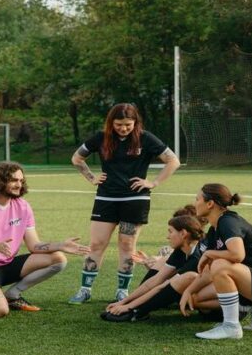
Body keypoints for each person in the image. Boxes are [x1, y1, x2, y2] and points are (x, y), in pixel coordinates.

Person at [68, 103, 181, 304]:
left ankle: (122, 290)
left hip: (135, 200)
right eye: (119, 124)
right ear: (111, 122)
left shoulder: (145, 138)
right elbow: (77, 158)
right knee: (96, 243)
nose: (123, 128)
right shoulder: (101, 137)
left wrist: (153, 182)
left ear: (135, 122)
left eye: (128, 124)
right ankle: (85, 289)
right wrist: (91, 177)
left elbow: (173, 160)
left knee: (127, 245)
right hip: (106, 198)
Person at [0, 162, 89, 318]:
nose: (19, 185)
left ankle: (12, 295)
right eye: (14, 180)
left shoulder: (23, 206)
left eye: (21, 180)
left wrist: (61, 245)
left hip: (6, 265)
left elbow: (34, 245)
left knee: (58, 258)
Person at [179, 183, 252, 340]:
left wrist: (210, 254)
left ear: (210, 203)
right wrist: (189, 290)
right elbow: (208, 272)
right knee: (197, 298)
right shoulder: (215, 229)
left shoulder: (228, 221)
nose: (195, 203)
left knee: (220, 264)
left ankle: (231, 326)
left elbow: (237, 254)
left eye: (197, 199)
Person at [100, 206, 206, 322]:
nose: (167, 236)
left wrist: (129, 307)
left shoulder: (197, 257)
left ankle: (138, 312)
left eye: (170, 232)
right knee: (163, 264)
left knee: (179, 280)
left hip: (210, 305)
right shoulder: (182, 249)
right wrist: (123, 301)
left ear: (183, 233)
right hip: (193, 294)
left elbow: (162, 287)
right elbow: (156, 279)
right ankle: (135, 306)